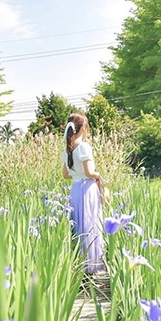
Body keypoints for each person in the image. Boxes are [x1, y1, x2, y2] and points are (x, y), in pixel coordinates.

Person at [62, 112, 105, 274]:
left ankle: (79, 264)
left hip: (75, 190)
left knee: (78, 225)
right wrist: (98, 175)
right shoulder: (84, 147)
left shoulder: (68, 149)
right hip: (87, 189)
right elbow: (89, 172)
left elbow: (65, 175)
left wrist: (76, 174)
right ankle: (91, 266)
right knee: (90, 223)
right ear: (83, 128)